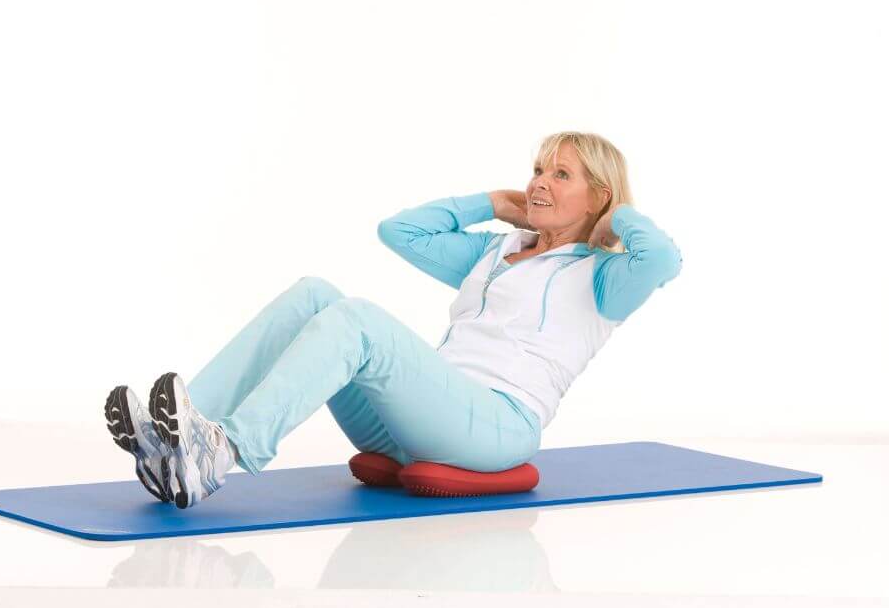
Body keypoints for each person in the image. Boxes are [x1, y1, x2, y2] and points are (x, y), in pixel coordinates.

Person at [104, 131, 683, 509]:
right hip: (422, 421)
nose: (538, 182)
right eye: (537, 169)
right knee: (314, 295)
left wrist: (616, 216)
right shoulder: (496, 251)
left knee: (359, 321)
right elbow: (400, 232)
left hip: (497, 426)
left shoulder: (603, 278)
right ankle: (177, 440)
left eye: (561, 175)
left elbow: (663, 259)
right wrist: (493, 203)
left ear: (598, 196)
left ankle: (224, 450)